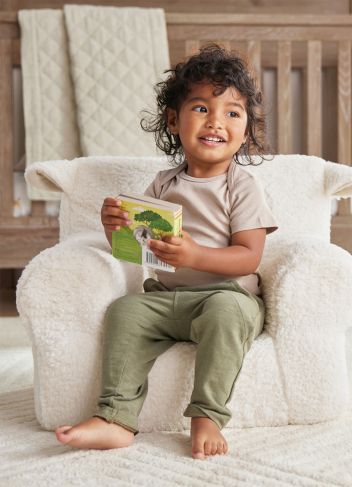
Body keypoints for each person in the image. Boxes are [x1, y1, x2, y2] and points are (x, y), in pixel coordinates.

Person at [55, 44, 279, 460]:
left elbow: (249, 257)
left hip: (227, 296)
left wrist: (195, 256)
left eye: (232, 113)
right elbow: (136, 251)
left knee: (227, 315)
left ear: (245, 131)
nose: (216, 122)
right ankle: (115, 418)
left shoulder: (242, 186)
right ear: (174, 121)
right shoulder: (162, 184)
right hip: (166, 297)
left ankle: (207, 415)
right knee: (125, 311)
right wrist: (115, 229)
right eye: (201, 109)